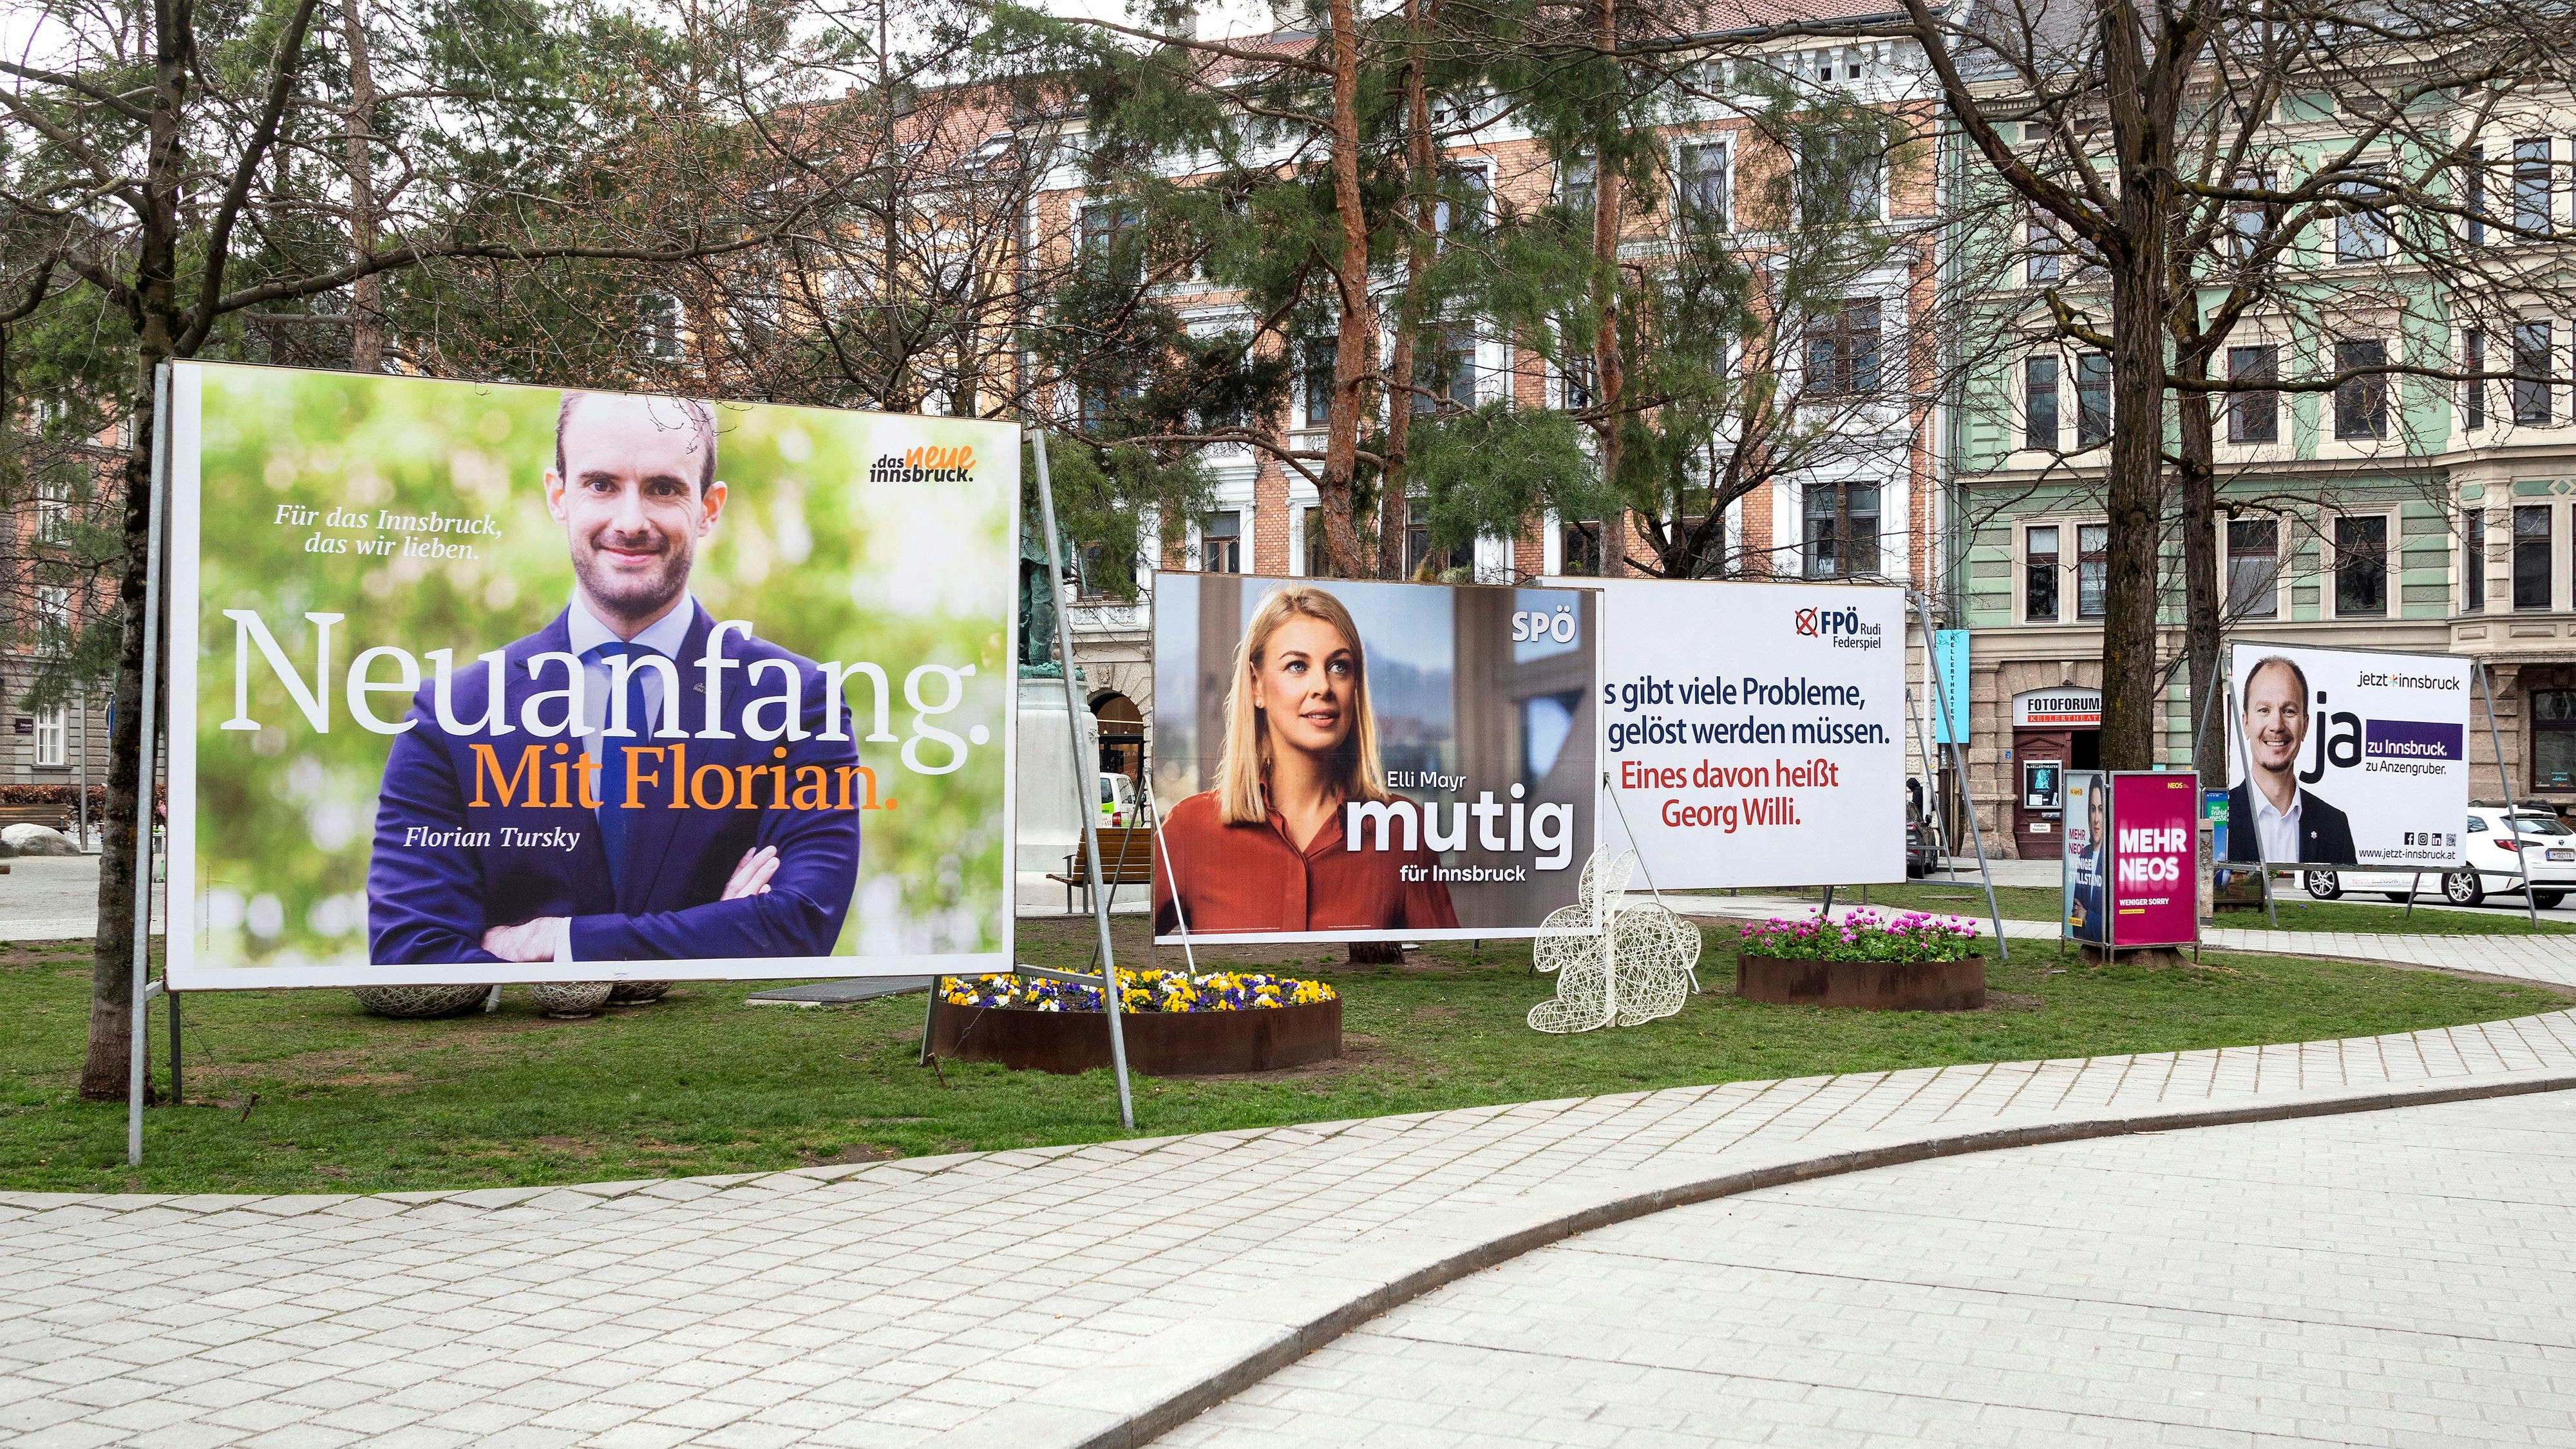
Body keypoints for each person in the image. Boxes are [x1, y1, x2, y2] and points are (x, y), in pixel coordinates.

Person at [368, 390, 862, 965]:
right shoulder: (450, 717)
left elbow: (798, 926)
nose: (631, 522)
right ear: (559, 496)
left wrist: (563, 942)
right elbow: (413, 954)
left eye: (663, 488)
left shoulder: (796, 701)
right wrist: (719, 932)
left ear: (708, 508)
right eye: (601, 484)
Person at [1153, 585, 1458, 934]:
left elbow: (1446, 969)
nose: (1323, 686)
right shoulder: (1190, 830)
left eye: (1339, 667)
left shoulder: (1402, 828)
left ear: (1356, 684)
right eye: (1297, 666)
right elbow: (1124, 963)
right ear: (1256, 685)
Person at [2226, 654, 2356, 866]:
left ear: (2305, 727)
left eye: (2289, 711)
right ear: (2246, 723)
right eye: (2264, 710)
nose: (2277, 725)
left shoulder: (2334, 826)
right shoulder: (2216, 821)